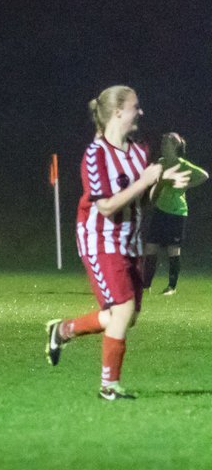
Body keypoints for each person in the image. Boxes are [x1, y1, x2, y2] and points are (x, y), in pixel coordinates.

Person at [44, 86, 188, 400]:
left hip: (129, 241)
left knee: (125, 315)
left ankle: (63, 330)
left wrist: (162, 183)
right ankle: (108, 387)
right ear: (118, 112)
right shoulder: (95, 155)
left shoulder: (139, 149)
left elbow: (143, 198)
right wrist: (146, 180)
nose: (141, 112)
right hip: (100, 239)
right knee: (121, 310)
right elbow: (107, 206)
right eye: (136, 106)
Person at [141, 132, 207, 296]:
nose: (163, 145)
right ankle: (146, 285)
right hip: (160, 209)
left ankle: (171, 287)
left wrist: (186, 185)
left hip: (177, 212)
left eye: (167, 143)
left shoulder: (182, 164)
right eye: (163, 142)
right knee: (150, 247)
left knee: (173, 249)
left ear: (175, 147)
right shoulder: (162, 163)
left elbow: (204, 176)